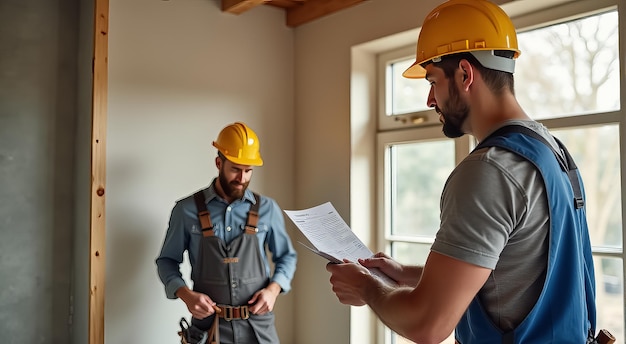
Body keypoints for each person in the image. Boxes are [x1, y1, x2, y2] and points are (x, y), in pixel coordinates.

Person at [326, 1, 598, 343]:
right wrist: (403, 274)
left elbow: (428, 324)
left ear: (465, 74)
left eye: (432, 80)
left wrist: (367, 287)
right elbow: (505, 271)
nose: (429, 99)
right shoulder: (551, 150)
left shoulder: (490, 169)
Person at [156, 122, 298, 344]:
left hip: (259, 329)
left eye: (248, 171)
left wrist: (273, 290)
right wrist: (186, 296)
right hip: (208, 329)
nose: (241, 179)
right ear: (218, 162)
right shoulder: (186, 210)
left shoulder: (268, 209)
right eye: (235, 169)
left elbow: (287, 257)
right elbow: (166, 261)